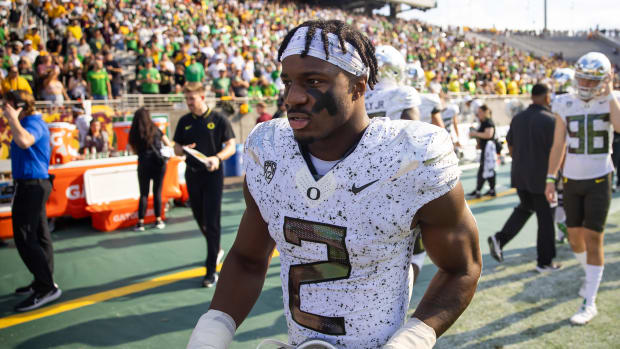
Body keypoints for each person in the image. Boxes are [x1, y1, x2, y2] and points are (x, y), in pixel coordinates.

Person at [187, 20, 481, 349]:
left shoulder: (412, 158)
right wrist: (213, 330)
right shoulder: (269, 150)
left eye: (314, 81)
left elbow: (461, 267)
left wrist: (413, 339)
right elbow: (247, 258)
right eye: (287, 81)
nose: (292, 97)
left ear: (359, 86)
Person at [545, 52, 620, 325]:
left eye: (592, 80)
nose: (586, 85)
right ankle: (590, 276)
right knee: (574, 236)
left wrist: (610, 93)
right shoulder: (565, 102)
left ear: (604, 79)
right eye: (583, 79)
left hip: (600, 177)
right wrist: (551, 178)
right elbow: (558, 144)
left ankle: (590, 299)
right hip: (572, 179)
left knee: (593, 237)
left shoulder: (612, 99)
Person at [488, 83, 560, 272]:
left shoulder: (518, 118)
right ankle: (545, 262)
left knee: (525, 208)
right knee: (545, 221)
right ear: (547, 97)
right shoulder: (550, 120)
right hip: (542, 178)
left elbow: (510, 147)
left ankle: (500, 239)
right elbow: (557, 151)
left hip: (520, 174)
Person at [173, 82, 236, 288]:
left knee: (212, 220)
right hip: (192, 175)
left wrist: (217, 158)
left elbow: (231, 146)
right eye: (187, 99)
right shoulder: (184, 122)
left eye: (192, 99)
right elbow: (176, 149)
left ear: (202, 98)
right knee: (200, 217)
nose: (189, 103)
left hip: (213, 176)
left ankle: (211, 271)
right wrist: (184, 149)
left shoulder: (218, 119)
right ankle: (215, 248)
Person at [4, 89, 61, 312]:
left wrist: (12, 119)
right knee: (39, 233)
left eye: (7, 106)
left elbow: (25, 141)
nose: (3, 110)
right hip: (32, 184)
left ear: (18, 106)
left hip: (32, 185)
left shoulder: (33, 124)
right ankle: (43, 281)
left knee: (25, 236)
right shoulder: (27, 122)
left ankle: (46, 286)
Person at [128, 107, 172, 231]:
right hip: (158, 163)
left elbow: (133, 149)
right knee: (157, 192)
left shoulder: (134, 133)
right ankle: (158, 219)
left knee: (143, 193)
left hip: (143, 163)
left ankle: (140, 222)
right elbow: (168, 144)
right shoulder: (155, 129)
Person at [468, 105, 497, 198]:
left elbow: (489, 134)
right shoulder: (483, 122)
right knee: (488, 169)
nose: (478, 114)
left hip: (489, 150)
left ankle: (478, 190)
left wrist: (475, 133)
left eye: (480, 112)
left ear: (485, 112)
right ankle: (491, 189)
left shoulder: (488, 122)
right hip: (485, 148)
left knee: (484, 169)